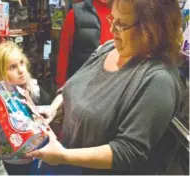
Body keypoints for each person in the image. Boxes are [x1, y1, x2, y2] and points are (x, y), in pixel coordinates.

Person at [27, 0, 184, 174]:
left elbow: (127, 151)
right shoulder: (108, 48)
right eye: (113, 20)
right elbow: (76, 85)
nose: (111, 30)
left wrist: (63, 156)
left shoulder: (158, 80)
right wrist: (54, 107)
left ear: (152, 29)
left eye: (121, 24)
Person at [0, 41, 51, 175]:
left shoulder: (34, 88)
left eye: (22, 63)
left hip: (40, 151)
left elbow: (48, 109)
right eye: (12, 67)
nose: (21, 70)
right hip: (15, 158)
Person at [56, 0, 113, 89]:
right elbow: (64, 52)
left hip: (115, 85)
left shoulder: (127, 14)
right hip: (82, 86)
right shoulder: (76, 13)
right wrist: (61, 86)